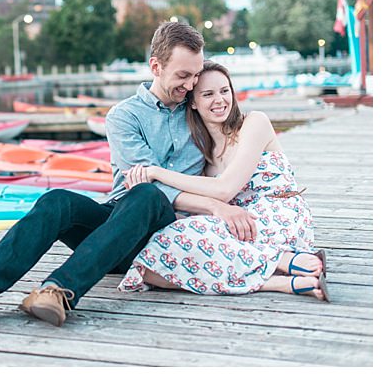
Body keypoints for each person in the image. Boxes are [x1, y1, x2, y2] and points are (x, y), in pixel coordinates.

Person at [0, 22, 256, 327]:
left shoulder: (197, 108)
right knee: (57, 201)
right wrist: (215, 204)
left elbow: (164, 178)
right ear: (156, 67)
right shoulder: (124, 116)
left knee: (147, 195)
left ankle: (58, 291)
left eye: (195, 76)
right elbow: (145, 176)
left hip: (164, 233)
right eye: (183, 75)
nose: (190, 85)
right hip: (117, 220)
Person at [117, 61, 329, 301]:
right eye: (208, 94)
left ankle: (285, 260)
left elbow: (224, 190)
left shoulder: (254, 123)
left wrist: (155, 172)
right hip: (241, 225)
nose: (219, 100)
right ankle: (278, 282)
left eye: (224, 91)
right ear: (193, 103)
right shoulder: (203, 158)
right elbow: (206, 208)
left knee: (183, 240)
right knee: (150, 270)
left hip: (279, 214)